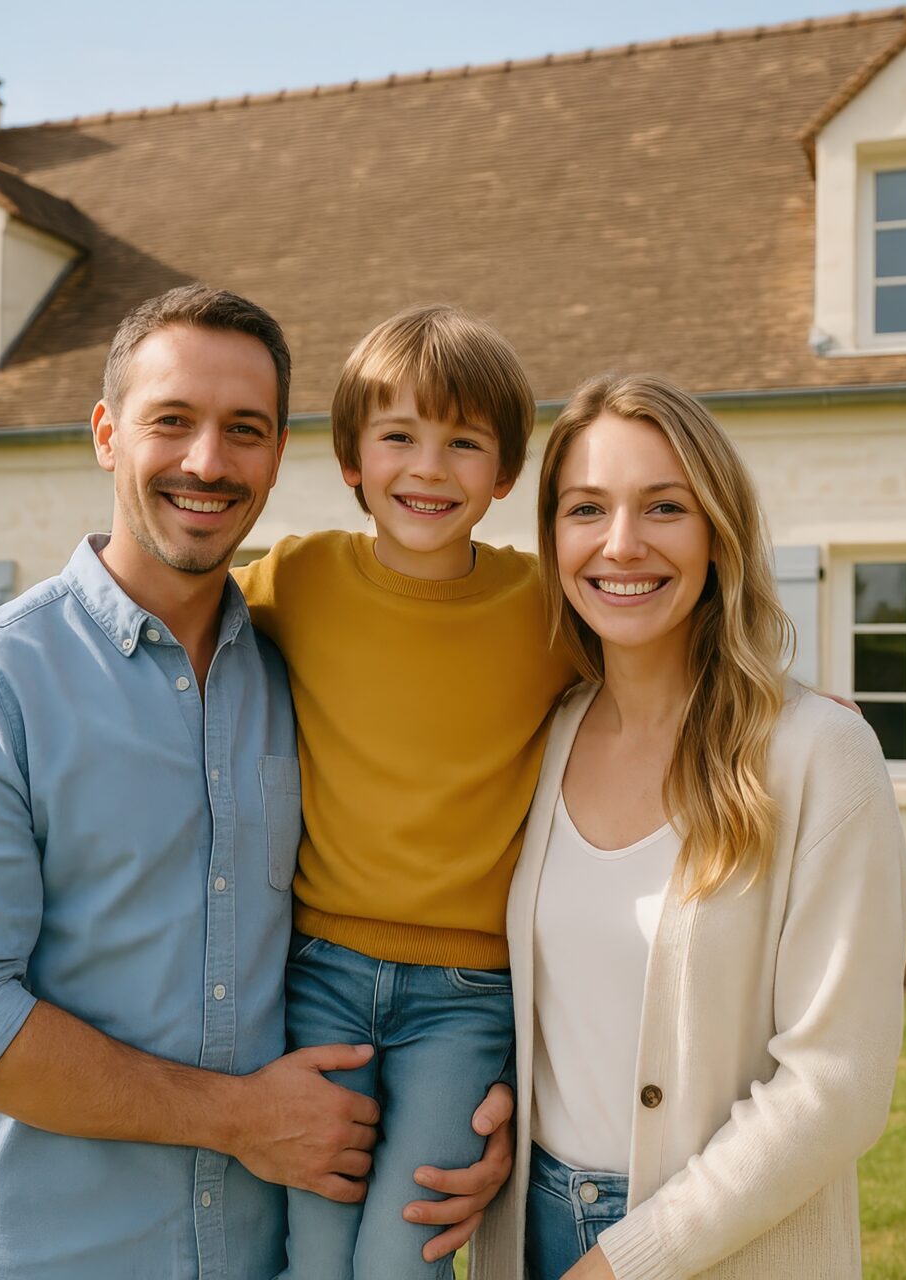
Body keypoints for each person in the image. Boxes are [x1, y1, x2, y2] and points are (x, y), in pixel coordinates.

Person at [0, 285, 513, 1280]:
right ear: (106, 434)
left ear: (279, 455)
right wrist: (239, 1119)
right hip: (44, 1258)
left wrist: (477, 1118)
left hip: (263, 1252)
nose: (208, 461)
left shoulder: (295, 658)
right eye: (172, 421)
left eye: (243, 431)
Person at [467, 374, 906, 1279]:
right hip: (527, 1232)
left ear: (719, 533)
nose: (620, 544)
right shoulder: (543, 736)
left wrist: (631, 1258)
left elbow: (838, 1085)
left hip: (718, 1249)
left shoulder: (817, 753)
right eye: (586, 508)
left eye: (663, 507)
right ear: (553, 540)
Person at [232, 305, 576, 1278]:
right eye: (399, 436)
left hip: (464, 1000)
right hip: (320, 975)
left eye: (463, 442)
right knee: (314, 1248)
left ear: (504, 473)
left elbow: (676, 658)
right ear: (351, 457)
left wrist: (786, 697)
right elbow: (170, 620)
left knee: (402, 1256)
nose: (429, 467)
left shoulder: (545, 608)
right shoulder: (299, 578)